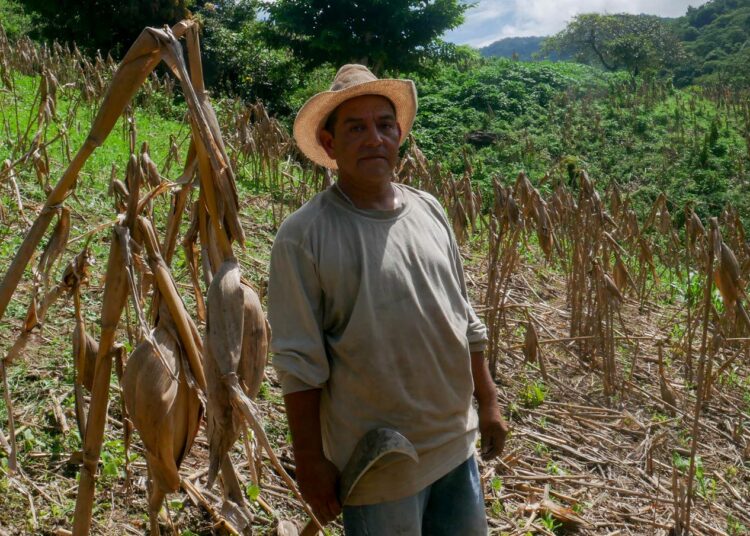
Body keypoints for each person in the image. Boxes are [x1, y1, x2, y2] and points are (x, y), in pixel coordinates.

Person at [267, 64, 508, 535]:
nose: (373, 138)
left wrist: (490, 401)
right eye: (355, 128)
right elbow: (298, 366)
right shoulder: (304, 237)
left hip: (456, 443)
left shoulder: (429, 209)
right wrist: (311, 464)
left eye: (384, 124)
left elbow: (464, 318)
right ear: (330, 145)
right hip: (380, 460)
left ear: (399, 135)